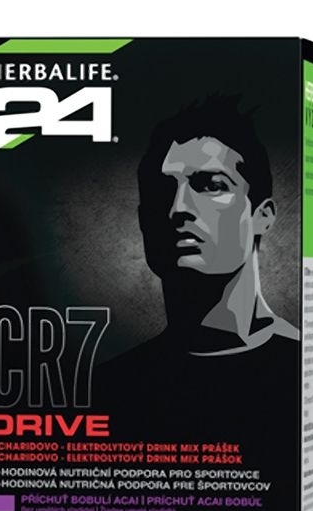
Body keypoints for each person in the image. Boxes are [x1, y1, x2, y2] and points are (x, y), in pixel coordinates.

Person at [95, 96, 300, 442]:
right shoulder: (107, 390)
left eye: (211, 186)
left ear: (261, 216)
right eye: (162, 191)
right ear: (144, 223)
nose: (178, 208)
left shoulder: (306, 372)